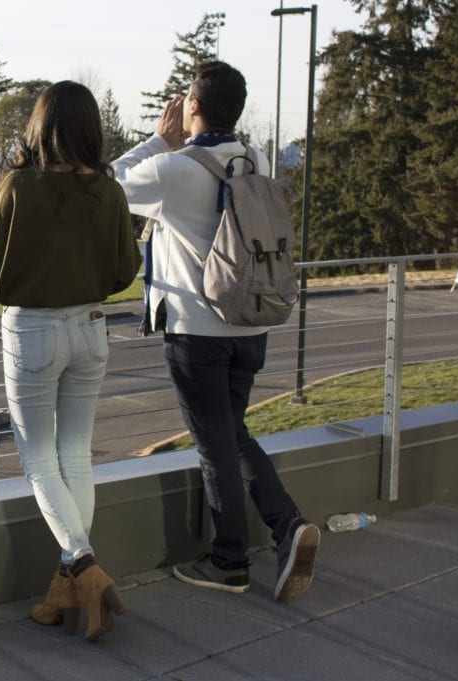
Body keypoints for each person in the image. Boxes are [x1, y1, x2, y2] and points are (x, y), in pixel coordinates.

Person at [112, 61, 320, 602]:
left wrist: (158, 141)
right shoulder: (254, 160)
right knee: (232, 433)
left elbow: (106, 187)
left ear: (193, 107)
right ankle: (287, 526)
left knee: (215, 447)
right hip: (250, 324)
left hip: (196, 332)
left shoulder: (174, 169)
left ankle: (229, 561)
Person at [0, 80, 142, 640]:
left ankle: (86, 571)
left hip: (35, 331)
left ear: (40, 127)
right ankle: (66, 588)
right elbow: (124, 272)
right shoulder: (110, 192)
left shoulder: (19, 186)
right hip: (91, 327)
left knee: (42, 463)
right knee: (76, 456)